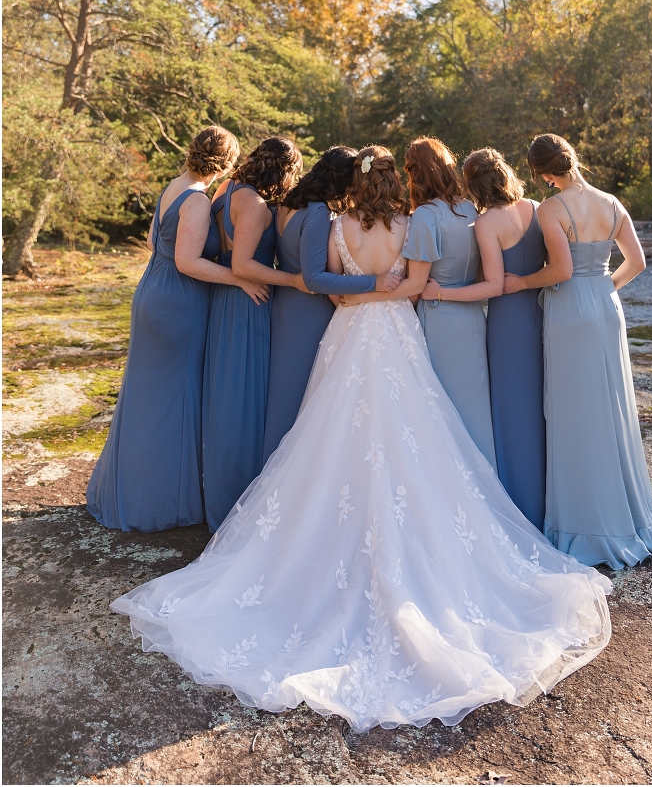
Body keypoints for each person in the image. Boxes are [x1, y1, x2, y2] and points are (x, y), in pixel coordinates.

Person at [111, 145, 612, 734]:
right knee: (416, 436)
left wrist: (357, 293)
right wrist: (384, 288)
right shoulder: (409, 224)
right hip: (395, 333)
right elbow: (413, 289)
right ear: (392, 184)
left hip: (349, 331)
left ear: (356, 183)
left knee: (327, 434)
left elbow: (328, 286)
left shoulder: (338, 222)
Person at [503, 133, 652, 570]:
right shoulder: (610, 202)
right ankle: (629, 514)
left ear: (543, 173)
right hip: (607, 307)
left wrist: (520, 284)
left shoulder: (551, 208)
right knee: (613, 407)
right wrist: (603, 288)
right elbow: (636, 262)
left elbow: (561, 269)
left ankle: (585, 523)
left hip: (569, 311)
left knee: (574, 412)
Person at [86, 126, 267, 533]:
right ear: (227, 163)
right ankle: (159, 502)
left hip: (153, 288)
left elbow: (154, 241)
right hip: (178, 301)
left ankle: (133, 491)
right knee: (175, 398)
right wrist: (240, 278)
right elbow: (189, 262)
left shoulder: (174, 185)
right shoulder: (199, 201)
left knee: (147, 396)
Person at [424, 148, 546, 530]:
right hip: (541, 313)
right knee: (540, 405)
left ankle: (516, 505)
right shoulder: (536, 207)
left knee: (510, 410)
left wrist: (440, 293)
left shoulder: (485, 223)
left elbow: (491, 285)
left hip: (507, 322)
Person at [261, 146, 401, 465]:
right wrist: (373, 282)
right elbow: (315, 279)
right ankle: (284, 470)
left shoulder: (287, 203)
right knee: (300, 399)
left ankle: (275, 468)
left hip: (284, 307)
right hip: (308, 312)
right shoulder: (319, 212)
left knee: (284, 393)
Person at [202, 137, 305, 532]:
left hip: (225, 301)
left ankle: (222, 496)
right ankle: (235, 505)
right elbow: (244, 264)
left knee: (225, 393)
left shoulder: (228, 190)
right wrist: (294, 279)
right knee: (242, 399)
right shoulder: (256, 205)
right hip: (249, 303)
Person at [401, 138, 496, 469]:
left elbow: (416, 285)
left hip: (438, 317)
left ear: (417, 174)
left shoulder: (426, 216)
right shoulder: (471, 208)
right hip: (471, 315)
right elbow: (485, 274)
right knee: (474, 406)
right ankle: (487, 480)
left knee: (440, 407)